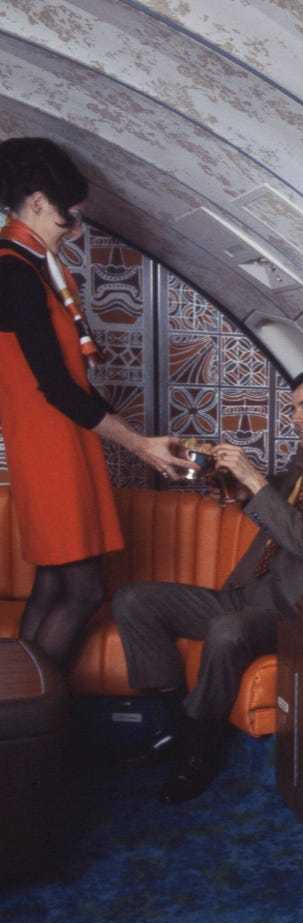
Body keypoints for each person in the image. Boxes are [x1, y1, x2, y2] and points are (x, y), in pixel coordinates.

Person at [112, 370, 303, 804]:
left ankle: (197, 753)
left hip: (295, 611)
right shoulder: (298, 470)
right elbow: (269, 513)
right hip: (243, 593)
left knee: (228, 629)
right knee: (134, 600)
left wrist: (255, 479)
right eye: (293, 407)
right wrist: (232, 486)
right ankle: (171, 726)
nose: (295, 417)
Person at [0, 136, 192, 668]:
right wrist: (141, 446)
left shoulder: (29, 265)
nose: (77, 230)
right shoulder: (14, 272)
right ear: (37, 201)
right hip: (50, 449)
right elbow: (57, 388)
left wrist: (137, 440)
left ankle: (18, 726)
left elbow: (67, 384)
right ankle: (32, 729)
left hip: (55, 444)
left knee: (55, 585)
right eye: (70, 218)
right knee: (81, 592)